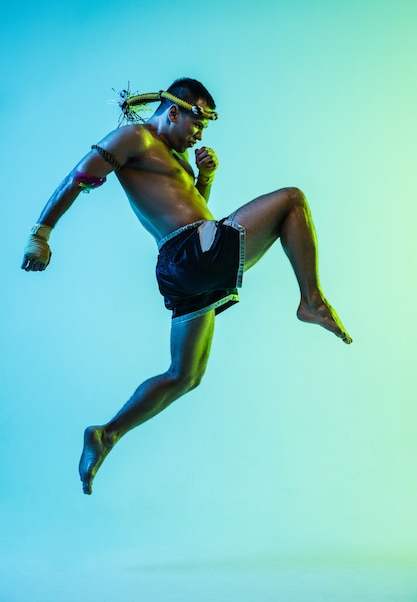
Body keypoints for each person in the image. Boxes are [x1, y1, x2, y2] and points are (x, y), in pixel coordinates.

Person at [21, 78, 352, 495]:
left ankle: (106, 434)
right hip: (190, 254)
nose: (199, 134)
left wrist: (205, 179)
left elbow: (188, 209)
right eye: (197, 123)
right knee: (292, 199)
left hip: (187, 265)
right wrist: (41, 234)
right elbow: (79, 177)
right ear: (174, 110)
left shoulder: (171, 157)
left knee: (184, 375)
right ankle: (311, 300)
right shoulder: (134, 137)